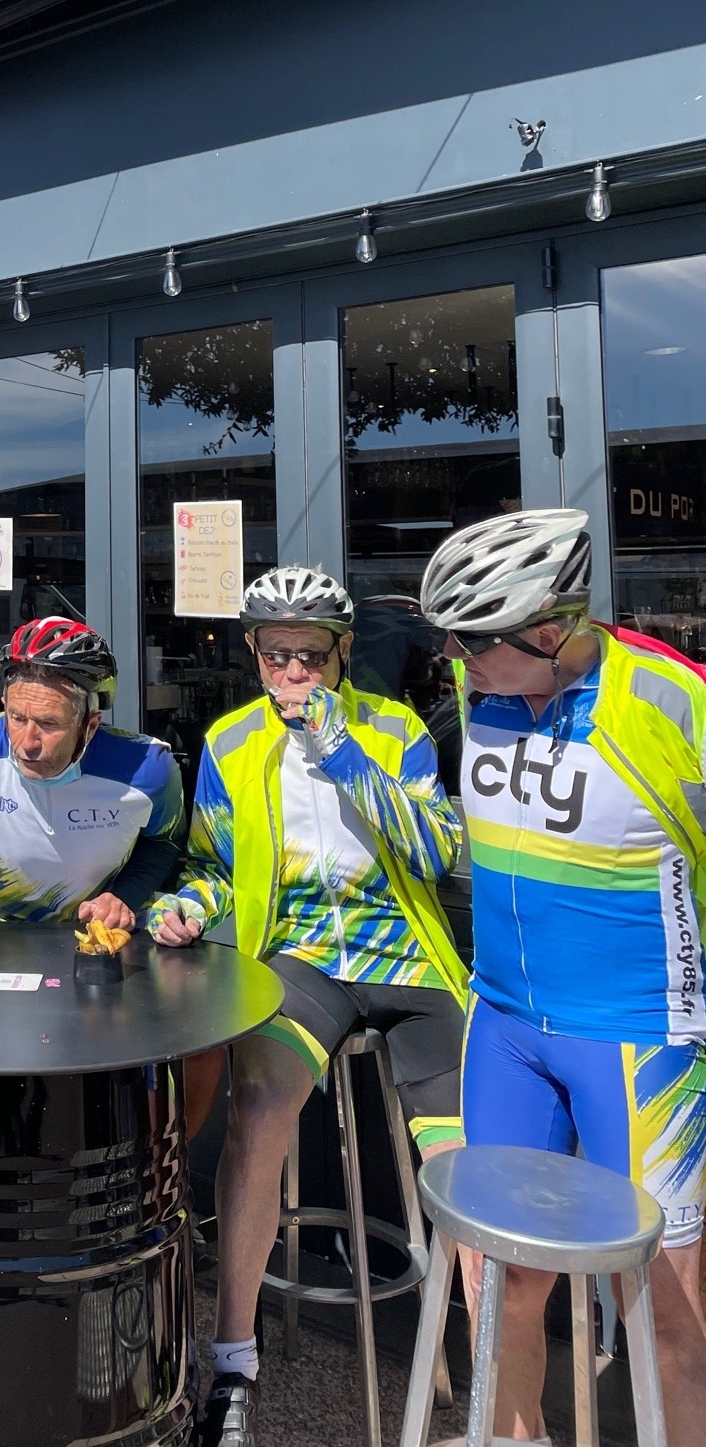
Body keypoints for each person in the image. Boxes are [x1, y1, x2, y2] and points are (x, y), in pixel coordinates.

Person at [148, 566, 466, 1447]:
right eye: (277, 656)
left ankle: (487, 1385)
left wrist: (340, 751)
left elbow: (434, 849)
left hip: (404, 955)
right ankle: (235, 1363)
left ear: (343, 654)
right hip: (304, 959)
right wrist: (187, 910)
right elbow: (212, 868)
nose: (293, 677)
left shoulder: (394, 728)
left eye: (311, 658)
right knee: (256, 1112)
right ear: (252, 653)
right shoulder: (229, 742)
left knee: (463, 1164)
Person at [420, 508, 706, 1445]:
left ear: (549, 632)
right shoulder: (483, 692)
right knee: (493, 1287)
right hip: (503, 1027)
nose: (457, 664)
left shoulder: (670, 697)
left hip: (636, 1035)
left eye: (472, 642)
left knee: (665, 1311)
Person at [0, 615, 184, 937]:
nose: (27, 743)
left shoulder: (147, 768)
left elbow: (163, 842)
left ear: (91, 725)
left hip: (105, 937)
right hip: (1, 939)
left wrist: (124, 896)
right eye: (16, 718)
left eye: (49, 724)